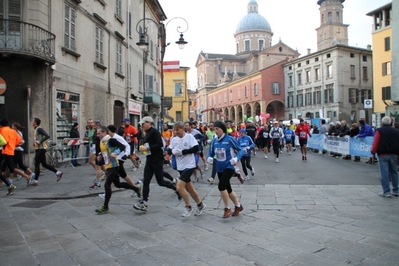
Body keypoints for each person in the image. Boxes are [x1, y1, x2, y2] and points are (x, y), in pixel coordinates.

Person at [133, 116, 180, 212]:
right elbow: (148, 146)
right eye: (141, 124)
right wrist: (144, 149)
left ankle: (176, 189)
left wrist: (148, 148)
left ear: (149, 123)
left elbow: (160, 144)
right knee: (146, 181)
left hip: (157, 160)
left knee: (161, 182)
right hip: (149, 159)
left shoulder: (154, 131)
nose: (142, 125)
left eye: (143, 123)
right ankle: (144, 203)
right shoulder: (146, 133)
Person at [168, 121, 206, 217]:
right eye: (174, 130)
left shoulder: (189, 137)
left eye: (177, 130)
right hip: (180, 166)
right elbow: (168, 150)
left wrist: (182, 152)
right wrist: (173, 151)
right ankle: (200, 204)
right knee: (190, 189)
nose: (175, 132)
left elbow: (195, 148)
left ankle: (188, 207)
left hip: (189, 165)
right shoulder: (174, 139)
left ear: (183, 129)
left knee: (179, 187)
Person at [207, 120, 244, 218]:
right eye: (214, 129)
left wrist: (236, 158)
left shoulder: (230, 139)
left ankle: (227, 208)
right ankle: (238, 206)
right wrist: (209, 158)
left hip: (229, 166)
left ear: (223, 129)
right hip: (220, 168)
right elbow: (211, 152)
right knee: (228, 188)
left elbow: (240, 149)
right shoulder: (214, 141)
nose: (216, 131)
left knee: (221, 186)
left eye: (217, 129)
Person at [95, 126, 135, 214]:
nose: (97, 135)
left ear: (104, 132)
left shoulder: (110, 139)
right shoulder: (102, 141)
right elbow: (103, 151)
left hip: (114, 164)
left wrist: (116, 153)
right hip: (108, 165)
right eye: (97, 133)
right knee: (118, 184)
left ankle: (105, 206)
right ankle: (136, 188)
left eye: (99, 133)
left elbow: (123, 146)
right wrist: (99, 155)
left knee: (107, 185)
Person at [98, 125, 142, 199]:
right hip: (114, 159)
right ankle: (135, 188)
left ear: (109, 131)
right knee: (123, 175)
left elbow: (126, 145)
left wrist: (126, 154)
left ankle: (107, 193)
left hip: (119, 159)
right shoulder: (108, 139)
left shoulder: (117, 138)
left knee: (111, 176)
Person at [371, 116, 399, 198]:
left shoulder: (379, 131)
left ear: (382, 122)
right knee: (394, 172)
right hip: (394, 153)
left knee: (384, 173)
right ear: (391, 122)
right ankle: (396, 190)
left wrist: (373, 152)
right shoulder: (396, 131)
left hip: (383, 154)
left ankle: (386, 191)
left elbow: (376, 142)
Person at [31, 117, 63, 186]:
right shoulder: (36, 129)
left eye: (32, 121)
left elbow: (47, 136)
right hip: (39, 149)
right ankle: (58, 172)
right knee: (44, 164)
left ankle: (35, 181)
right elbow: (39, 138)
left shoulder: (39, 129)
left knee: (36, 164)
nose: (31, 122)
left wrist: (40, 141)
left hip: (41, 149)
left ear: (35, 123)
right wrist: (35, 142)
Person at [89, 120, 105, 189]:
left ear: (97, 125)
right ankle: (112, 174)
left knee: (97, 166)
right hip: (95, 149)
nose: (92, 124)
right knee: (101, 166)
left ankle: (98, 182)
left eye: (93, 123)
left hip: (98, 150)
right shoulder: (96, 131)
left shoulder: (100, 131)